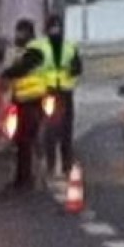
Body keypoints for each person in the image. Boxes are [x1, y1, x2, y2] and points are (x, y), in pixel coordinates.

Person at [0, 18, 47, 189]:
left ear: (29, 33)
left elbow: (22, 68)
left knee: (25, 141)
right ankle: (26, 177)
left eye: (22, 32)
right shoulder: (22, 50)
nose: (18, 35)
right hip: (23, 101)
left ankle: (26, 179)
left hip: (32, 101)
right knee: (22, 141)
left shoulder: (35, 51)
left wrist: (6, 74)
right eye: (18, 32)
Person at [40, 14, 84, 179]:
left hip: (61, 93)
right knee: (52, 130)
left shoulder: (67, 48)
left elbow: (78, 67)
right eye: (53, 27)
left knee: (64, 131)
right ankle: (54, 165)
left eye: (56, 27)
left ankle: (63, 165)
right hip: (51, 93)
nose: (55, 31)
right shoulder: (44, 49)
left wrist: (72, 71)